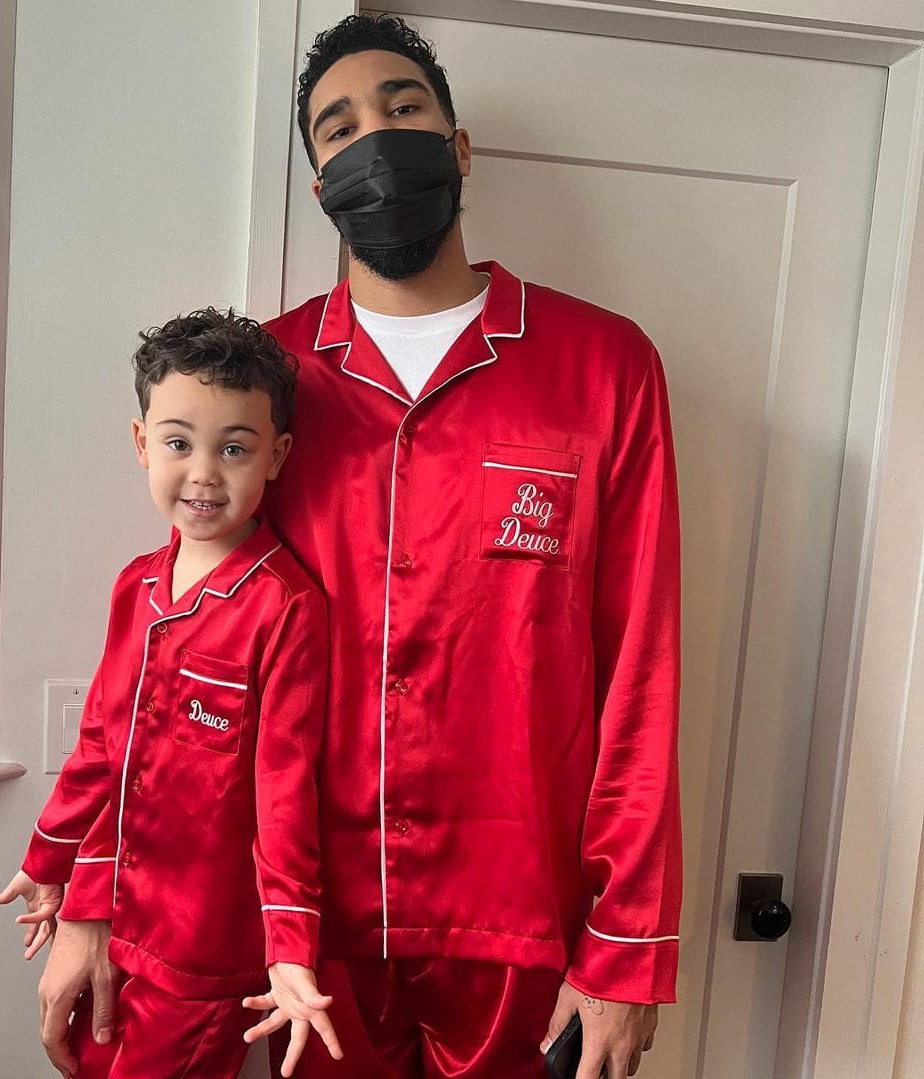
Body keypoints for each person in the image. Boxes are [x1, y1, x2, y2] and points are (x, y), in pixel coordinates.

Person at [246, 15, 683, 1079]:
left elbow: (642, 669)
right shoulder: (267, 375)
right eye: (338, 128)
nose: (376, 140)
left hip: (526, 929)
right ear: (320, 188)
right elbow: (197, 632)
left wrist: (627, 945)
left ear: (458, 145)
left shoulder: (604, 367)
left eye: (404, 110)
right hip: (315, 934)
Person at [0, 309, 343, 1079]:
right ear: (141, 442)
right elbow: (100, 744)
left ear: (276, 455)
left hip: (200, 952)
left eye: (235, 448)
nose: (205, 474)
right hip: (108, 913)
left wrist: (289, 948)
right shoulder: (135, 586)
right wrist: (50, 857)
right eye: (180, 443)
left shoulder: (285, 607)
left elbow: (284, 794)